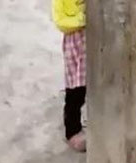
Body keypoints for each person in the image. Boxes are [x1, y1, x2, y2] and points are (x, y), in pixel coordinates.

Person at [53, 0, 86, 152]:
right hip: (75, 42)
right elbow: (60, 22)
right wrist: (83, 19)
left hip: (94, 39)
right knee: (76, 89)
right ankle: (72, 131)